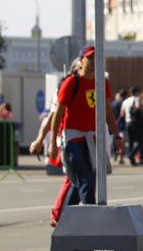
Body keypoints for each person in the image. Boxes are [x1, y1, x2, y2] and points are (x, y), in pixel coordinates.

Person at [47, 46, 124, 207]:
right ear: (81, 60)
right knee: (86, 180)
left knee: (80, 184)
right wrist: (52, 142)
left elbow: (108, 112)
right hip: (73, 138)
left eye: (97, 58)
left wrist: (117, 136)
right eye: (90, 58)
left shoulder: (102, 83)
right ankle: (94, 220)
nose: (93, 62)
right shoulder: (71, 82)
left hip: (93, 138)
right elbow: (57, 114)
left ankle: (65, 222)